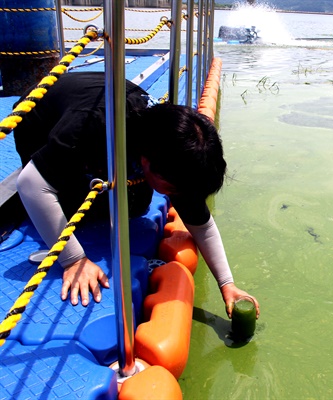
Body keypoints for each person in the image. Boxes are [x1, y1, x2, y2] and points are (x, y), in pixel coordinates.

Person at [13, 71, 259, 319]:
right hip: (37, 121)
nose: (181, 197)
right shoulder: (93, 127)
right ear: (146, 162)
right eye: (174, 190)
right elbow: (29, 184)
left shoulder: (170, 142)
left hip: (89, 108)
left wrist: (227, 284)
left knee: (136, 205)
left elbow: (202, 225)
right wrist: (73, 260)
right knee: (69, 207)